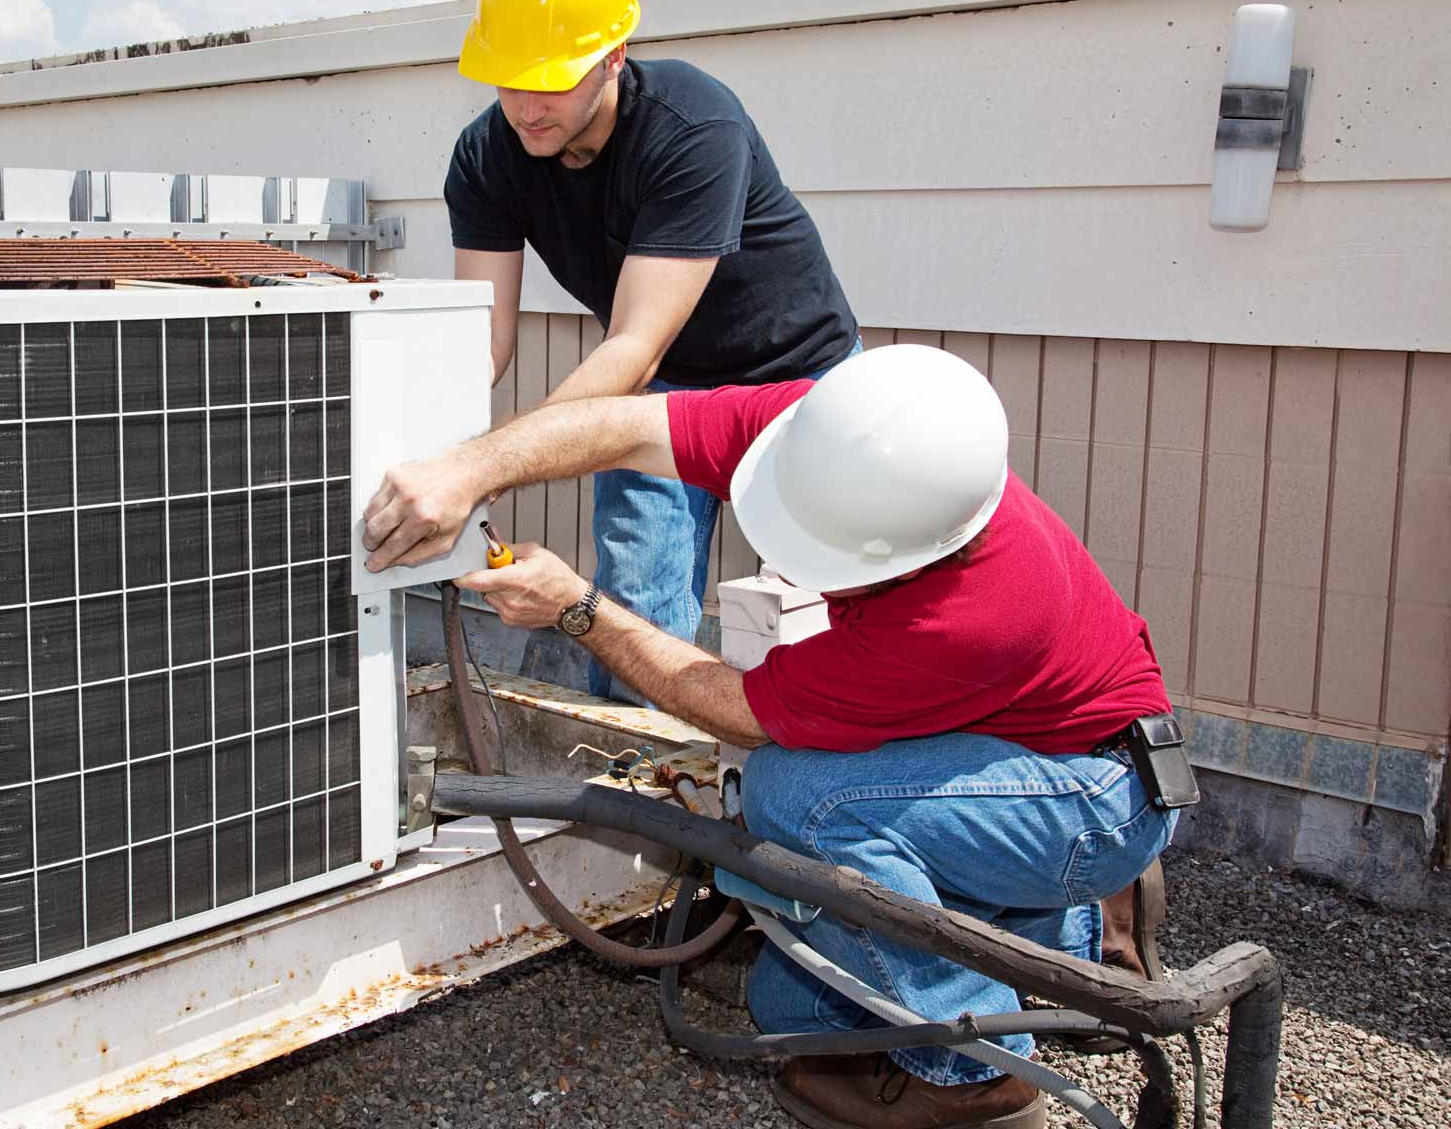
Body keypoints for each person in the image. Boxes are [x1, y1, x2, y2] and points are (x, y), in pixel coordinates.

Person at [362, 344, 1178, 1129]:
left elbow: (736, 709)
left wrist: (578, 608)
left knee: (800, 800)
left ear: (904, 556)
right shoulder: (833, 434)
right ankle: (1066, 947)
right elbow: (625, 424)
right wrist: (473, 465)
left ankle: (975, 1079)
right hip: (1028, 745)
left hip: (1094, 793)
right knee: (783, 1006)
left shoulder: (966, 618)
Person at [446, 0, 859, 701]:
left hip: (800, 382)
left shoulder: (692, 125)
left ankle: (824, 790)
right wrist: (435, 449)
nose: (529, 106)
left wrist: (482, 469)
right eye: (511, 78)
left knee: (842, 601)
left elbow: (634, 342)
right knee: (632, 609)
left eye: (555, 78)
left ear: (613, 57)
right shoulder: (486, 156)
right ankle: (644, 800)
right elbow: (484, 340)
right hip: (663, 390)